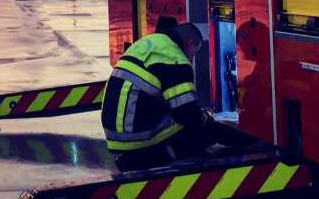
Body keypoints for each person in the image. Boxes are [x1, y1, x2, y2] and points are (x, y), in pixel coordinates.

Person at [101, 22, 261, 172]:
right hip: (136, 138)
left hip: (117, 134)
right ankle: (151, 158)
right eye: (194, 53)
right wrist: (209, 122)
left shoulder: (151, 43)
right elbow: (186, 113)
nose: (191, 59)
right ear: (190, 43)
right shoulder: (175, 59)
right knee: (201, 134)